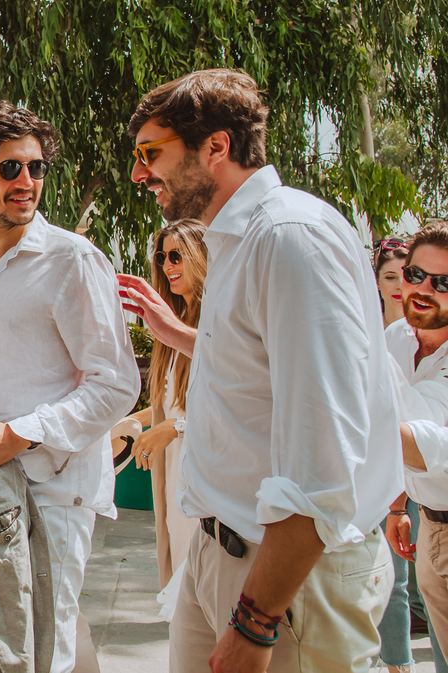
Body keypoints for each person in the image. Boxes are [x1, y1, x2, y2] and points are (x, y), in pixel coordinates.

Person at [127, 68, 399, 673]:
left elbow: (321, 452)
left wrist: (256, 619)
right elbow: (253, 380)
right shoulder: (236, 242)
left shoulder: (288, 238)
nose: (140, 173)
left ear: (217, 147)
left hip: (282, 582)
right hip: (219, 554)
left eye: (152, 153)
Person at [0, 101, 141, 673]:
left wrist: (20, 435)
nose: (28, 181)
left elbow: (116, 383)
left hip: (50, 495)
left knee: (41, 652)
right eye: (10, 168)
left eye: (37, 167)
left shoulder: (72, 260)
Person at [119, 218, 206, 619]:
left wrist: (173, 429)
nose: (168, 265)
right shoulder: (170, 329)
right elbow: (168, 404)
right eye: (162, 256)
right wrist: (124, 427)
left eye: (176, 255)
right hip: (173, 476)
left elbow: (233, 402)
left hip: (204, 480)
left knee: (202, 588)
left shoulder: (213, 326)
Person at [385, 221, 448, 672]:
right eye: (415, 275)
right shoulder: (396, 339)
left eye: (443, 283)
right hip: (430, 524)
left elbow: (423, 444)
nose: (424, 289)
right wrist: (396, 507)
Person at [374, 236, 420, 673]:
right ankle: (398, 663)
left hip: (426, 467)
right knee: (396, 578)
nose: (401, 285)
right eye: (391, 276)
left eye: (409, 275)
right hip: (394, 474)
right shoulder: (381, 336)